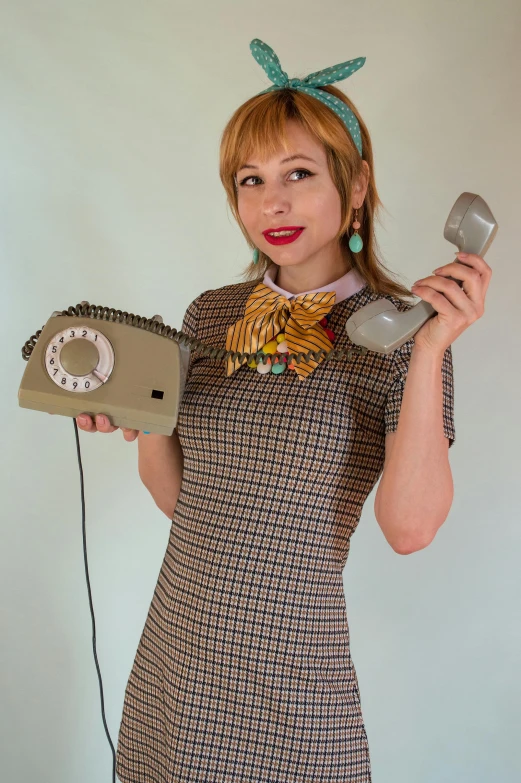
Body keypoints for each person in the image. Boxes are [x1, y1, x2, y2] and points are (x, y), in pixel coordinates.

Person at [78, 38, 491, 783]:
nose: (272, 202)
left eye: (298, 174)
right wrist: (141, 421)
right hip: (177, 654)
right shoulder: (209, 315)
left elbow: (410, 528)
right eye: (250, 179)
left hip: (289, 673)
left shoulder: (400, 336)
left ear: (355, 183)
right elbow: (184, 499)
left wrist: (428, 352)